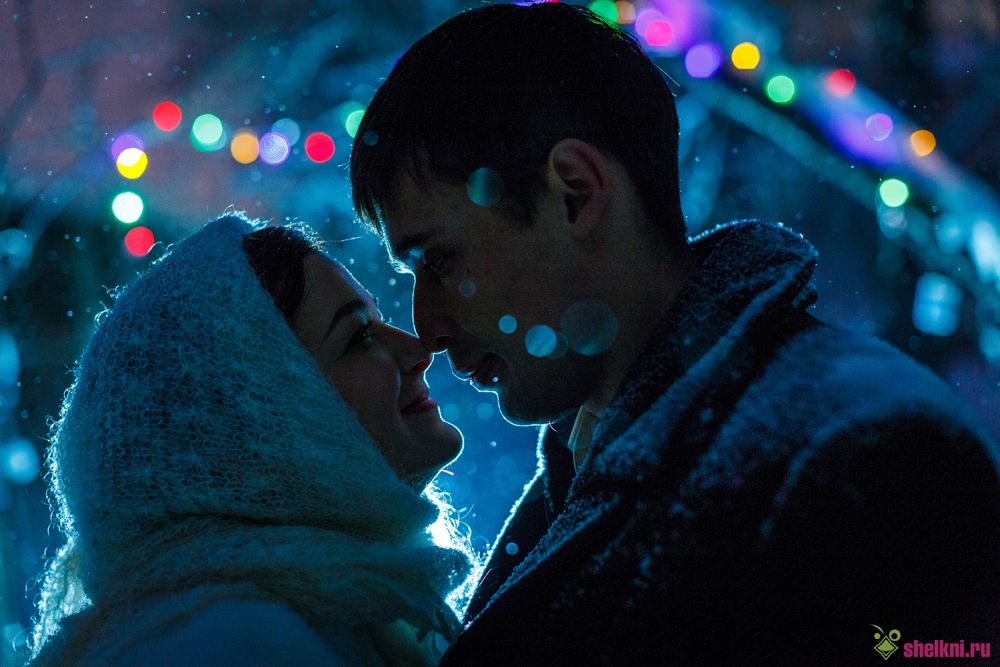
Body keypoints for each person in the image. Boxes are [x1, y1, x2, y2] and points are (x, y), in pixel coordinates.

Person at [349, 3, 1000, 664]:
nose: (424, 324)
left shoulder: (864, 455)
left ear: (575, 193)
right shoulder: (612, 459)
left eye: (437, 259)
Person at [28, 215, 474, 666]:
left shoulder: (348, 602)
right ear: (258, 420)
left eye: (377, 319)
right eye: (358, 335)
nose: (417, 351)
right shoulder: (234, 645)